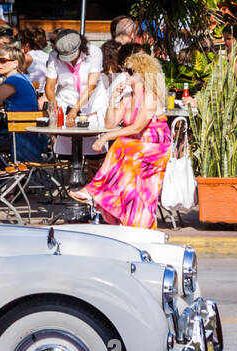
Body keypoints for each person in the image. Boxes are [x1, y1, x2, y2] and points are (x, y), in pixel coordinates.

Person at [69, 51, 172, 228]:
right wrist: (113, 99)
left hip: (156, 147)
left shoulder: (149, 97)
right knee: (124, 150)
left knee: (122, 145)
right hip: (137, 147)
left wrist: (106, 138)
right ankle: (126, 213)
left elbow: (137, 128)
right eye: (124, 70)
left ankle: (98, 193)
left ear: (142, 74)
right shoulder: (127, 98)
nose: (124, 74)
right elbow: (110, 124)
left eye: (129, 71)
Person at [45, 29, 104, 153]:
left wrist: (75, 109)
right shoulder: (53, 56)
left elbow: (91, 86)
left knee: (93, 154)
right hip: (65, 102)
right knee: (67, 153)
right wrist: (53, 103)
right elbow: (50, 86)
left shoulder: (94, 52)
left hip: (91, 106)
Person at [20, 25, 49, 99]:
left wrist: (20, 55)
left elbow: (16, 77)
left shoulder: (27, 57)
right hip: (45, 96)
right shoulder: (48, 56)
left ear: (26, 45)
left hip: (30, 96)